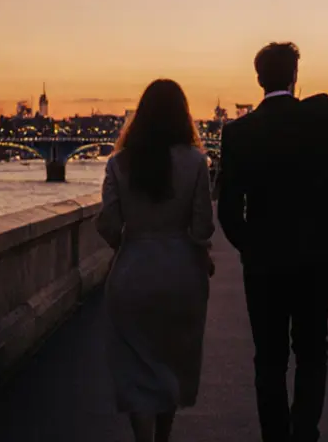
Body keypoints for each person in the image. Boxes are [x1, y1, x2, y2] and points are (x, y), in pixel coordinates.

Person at [218, 41, 328, 442]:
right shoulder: (316, 113)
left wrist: (253, 248)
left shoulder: (238, 134)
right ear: (294, 77)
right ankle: (304, 434)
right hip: (314, 258)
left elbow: (228, 210)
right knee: (312, 352)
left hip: (263, 264)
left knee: (269, 359)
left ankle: (276, 437)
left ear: (259, 78)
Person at [97, 79, 214, 442]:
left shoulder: (119, 163)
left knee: (135, 368)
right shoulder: (196, 163)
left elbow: (110, 225)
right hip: (182, 276)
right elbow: (203, 227)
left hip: (132, 274)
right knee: (172, 364)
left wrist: (128, 241)